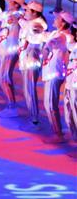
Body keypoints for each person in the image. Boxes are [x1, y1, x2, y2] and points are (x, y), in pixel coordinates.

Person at [39, 12, 74, 144]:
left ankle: (58, 134)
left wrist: (48, 45)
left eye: (57, 18)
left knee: (50, 104)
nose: (54, 19)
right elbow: (44, 37)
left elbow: (56, 42)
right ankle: (57, 132)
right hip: (50, 71)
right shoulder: (56, 33)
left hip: (56, 72)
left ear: (64, 22)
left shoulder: (65, 36)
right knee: (48, 104)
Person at [18, 1, 49, 127]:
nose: (25, 12)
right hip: (27, 55)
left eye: (27, 11)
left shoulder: (37, 24)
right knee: (27, 87)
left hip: (33, 56)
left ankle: (35, 118)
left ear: (35, 12)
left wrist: (39, 32)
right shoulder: (30, 21)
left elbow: (38, 30)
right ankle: (32, 115)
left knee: (30, 87)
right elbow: (24, 22)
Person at [0, 0, 25, 117]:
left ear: (16, 4)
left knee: (5, 79)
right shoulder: (10, 14)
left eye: (10, 2)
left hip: (10, 50)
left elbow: (20, 17)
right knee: (2, 78)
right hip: (5, 50)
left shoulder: (18, 16)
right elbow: (0, 16)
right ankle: (10, 105)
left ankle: (12, 107)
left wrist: (21, 10)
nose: (8, 3)